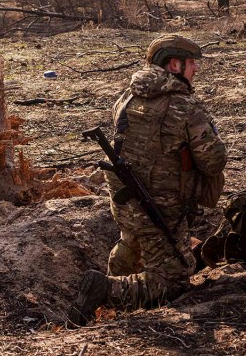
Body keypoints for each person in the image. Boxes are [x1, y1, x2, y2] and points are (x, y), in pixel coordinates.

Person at [69, 34, 227, 325]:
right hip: (162, 209)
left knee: (131, 242)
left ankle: (114, 280)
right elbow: (214, 161)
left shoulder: (126, 98)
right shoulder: (185, 106)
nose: (196, 69)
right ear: (174, 65)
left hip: (126, 201)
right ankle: (108, 290)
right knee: (174, 281)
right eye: (191, 63)